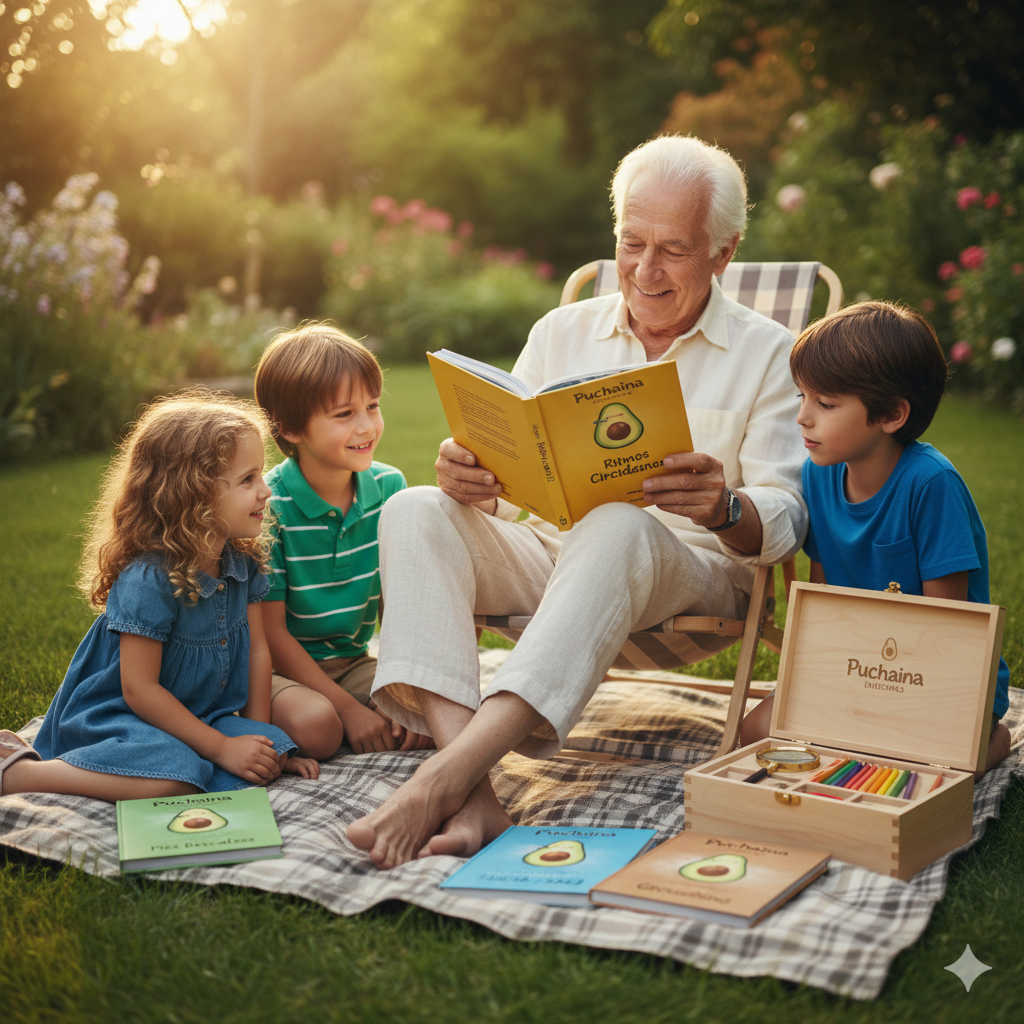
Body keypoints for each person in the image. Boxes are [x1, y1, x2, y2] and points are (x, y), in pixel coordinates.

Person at [347, 134, 809, 868]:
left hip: (690, 568)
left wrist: (724, 507)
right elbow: (519, 479)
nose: (645, 271)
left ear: (724, 253)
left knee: (618, 523)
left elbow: (786, 517)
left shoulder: (773, 353)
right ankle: (476, 798)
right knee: (414, 507)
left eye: (674, 250)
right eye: (631, 243)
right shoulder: (562, 331)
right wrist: (475, 478)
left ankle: (440, 777)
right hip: (559, 552)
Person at [0, 392, 318, 802]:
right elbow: (139, 691)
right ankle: (20, 774)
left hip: (200, 715)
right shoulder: (149, 579)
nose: (266, 491)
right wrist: (222, 747)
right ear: (192, 495)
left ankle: (207, 751)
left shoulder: (242, 559)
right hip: (122, 716)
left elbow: (258, 651)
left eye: (262, 475)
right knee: (177, 780)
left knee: (267, 755)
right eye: (248, 479)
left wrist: (263, 745)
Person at [740, 301, 1011, 772]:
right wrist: (822, 686)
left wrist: (881, 701)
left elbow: (947, 628)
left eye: (825, 404)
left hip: (939, 678)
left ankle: (992, 739)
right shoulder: (818, 476)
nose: (803, 417)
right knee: (754, 733)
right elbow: (823, 602)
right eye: (802, 396)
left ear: (891, 415)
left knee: (902, 757)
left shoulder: (931, 485)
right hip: (854, 666)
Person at [254, 324, 431, 758]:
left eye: (371, 406)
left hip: (354, 663)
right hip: (279, 671)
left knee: (431, 716)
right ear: (291, 429)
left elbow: (397, 604)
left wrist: (404, 688)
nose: (367, 426)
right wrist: (350, 711)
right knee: (320, 731)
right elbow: (271, 634)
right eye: (343, 414)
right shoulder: (269, 505)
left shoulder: (390, 487)